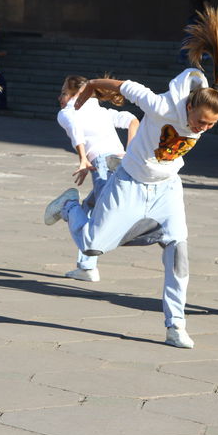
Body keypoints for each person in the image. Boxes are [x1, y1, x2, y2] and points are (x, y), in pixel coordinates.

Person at [43, 6, 218, 348]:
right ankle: (69, 207)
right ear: (190, 107)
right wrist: (89, 90)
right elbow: (116, 84)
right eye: (201, 121)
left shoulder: (204, 107)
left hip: (167, 189)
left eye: (211, 125)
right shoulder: (160, 105)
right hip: (129, 183)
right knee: (92, 245)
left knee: (178, 251)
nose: (203, 128)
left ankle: (175, 324)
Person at [56, 74, 139, 282]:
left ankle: (67, 207)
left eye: (64, 93)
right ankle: (86, 267)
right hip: (120, 162)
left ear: (75, 95)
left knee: (103, 215)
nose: (60, 97)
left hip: (102, 163)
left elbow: (76, 129)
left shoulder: (67, 112)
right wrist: (130, 152)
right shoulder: (101, 111)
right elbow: (132, 119)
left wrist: (83, 158)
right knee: (90, 209)